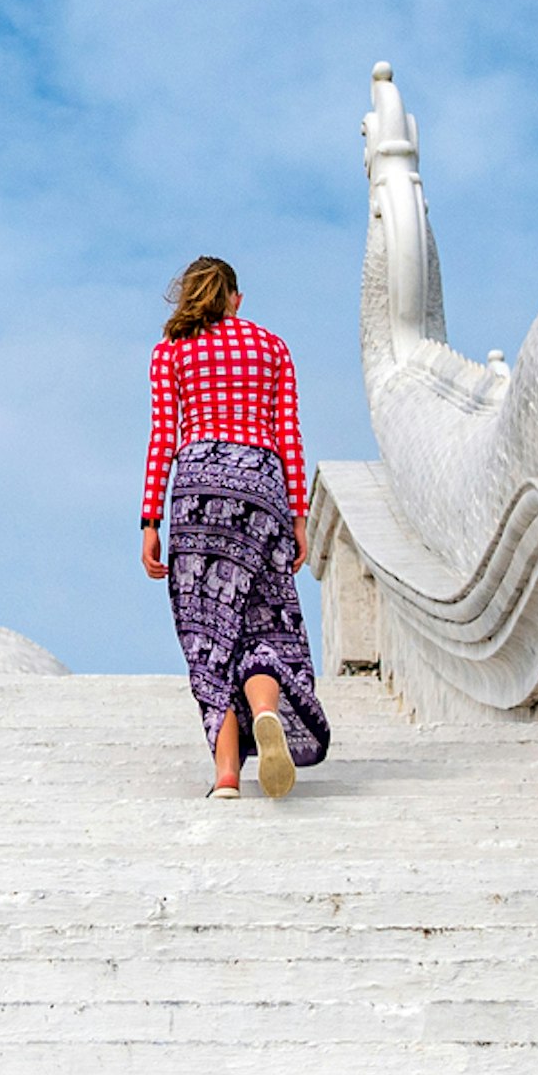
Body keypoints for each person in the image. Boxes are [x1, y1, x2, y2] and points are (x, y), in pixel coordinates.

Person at [139, 257, 329, 797]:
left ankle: (226, 775)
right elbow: (289, 435)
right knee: (265, 623)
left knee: (207, 635)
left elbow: (162, 440)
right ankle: (265, 710)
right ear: (236, 298)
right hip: (261, 487)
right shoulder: (271, 348)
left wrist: (150, 519)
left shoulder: (171, 352)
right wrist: (299, 516)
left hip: (199, 489)